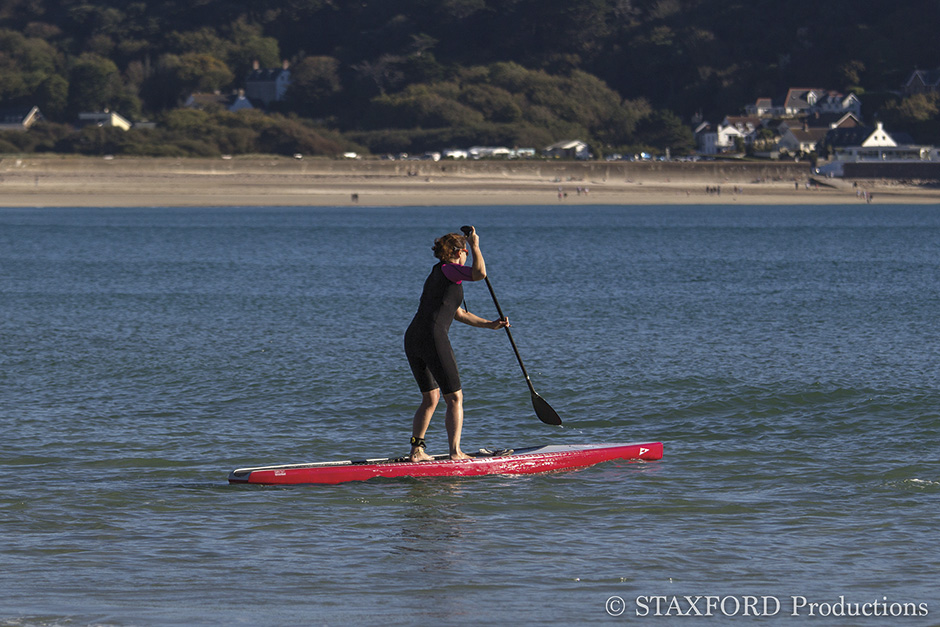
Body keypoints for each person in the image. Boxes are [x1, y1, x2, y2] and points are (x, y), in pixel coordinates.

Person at [404, 226, 509, 461]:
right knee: (455, 398)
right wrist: (476, 245)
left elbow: (458, 314)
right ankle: (455, 452)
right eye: (466, 253)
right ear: (459, 252)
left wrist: (490, 324)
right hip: (432, 337)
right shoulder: (451, 270)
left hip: (413, 338)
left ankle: (417, 450)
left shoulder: (437, 273)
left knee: (431, 398)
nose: (467, 257)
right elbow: (480, 274)